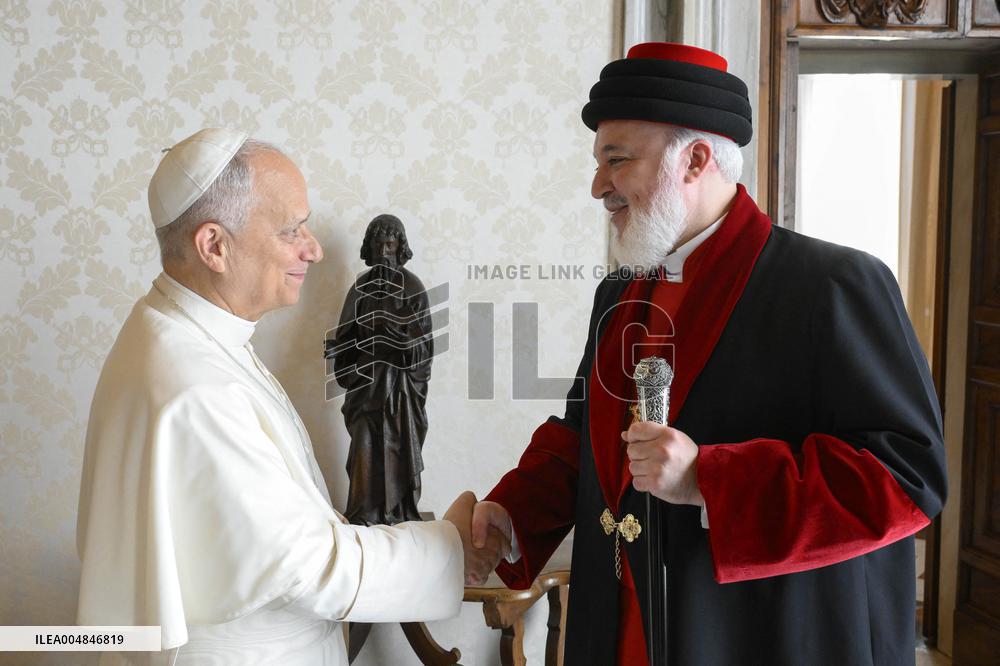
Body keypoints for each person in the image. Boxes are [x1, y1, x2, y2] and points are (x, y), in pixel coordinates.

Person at [467, 43, 947, 665]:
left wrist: (708, 481)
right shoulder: (621, 290)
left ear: (694, 160)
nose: (598, 187)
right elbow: (583, 438)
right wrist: (509, 516)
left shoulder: (833, 283)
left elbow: (905, 476)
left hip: (761, 637)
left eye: (617, 160)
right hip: (618, 630)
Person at [76, 128, 508, 666]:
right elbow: (304, 567)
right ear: (214, 246)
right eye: (291, 230)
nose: (314, 248)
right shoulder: (194, 384)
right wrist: (452, 549)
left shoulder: (185, 334)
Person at [326, 214, 433, 526]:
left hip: (401, 395)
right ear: (370, 248)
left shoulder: (413, 287)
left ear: (400, 247)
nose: (385, 252)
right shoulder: (360, 289)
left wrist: (398, 339)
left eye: (390, 245)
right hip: (366, 388)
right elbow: (347, 336)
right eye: (379, 245)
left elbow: (424, 350)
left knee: (400, 451)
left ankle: (400, 512)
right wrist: (339, 349)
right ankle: (364, 513)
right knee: (364, 450)